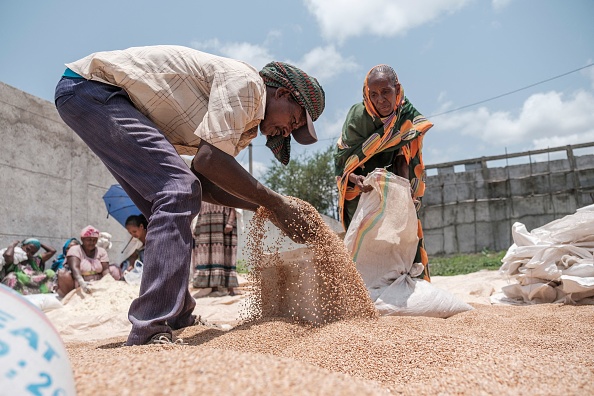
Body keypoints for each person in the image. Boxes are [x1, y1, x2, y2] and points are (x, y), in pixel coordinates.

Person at [54, 45, 325, 345]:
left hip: (90, 95)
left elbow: (204, 179)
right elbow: (210, 161)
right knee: (177, 192)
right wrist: (276, 202)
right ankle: (149, 328)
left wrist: (267, 209)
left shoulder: (243, 125)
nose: (287, 131)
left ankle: (178, 314)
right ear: (283, 94)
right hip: (95, 90)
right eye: (295, 120)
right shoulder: (250, 87)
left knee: (173, 201)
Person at [335, 64, 433, 280]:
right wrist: (354, 178)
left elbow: (403, 156)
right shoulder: (358, 118)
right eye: (374, 94)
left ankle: (407, 281)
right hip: (360, 187)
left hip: (391, 181)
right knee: (363, 242)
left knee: (401, 235)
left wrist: (404, 193)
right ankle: (362, 287)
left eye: (386, 91)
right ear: (366, 95)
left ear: (397, 90)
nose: (380, 99)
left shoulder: (404, 115)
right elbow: (342, 162)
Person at [192, 203, 240, 297]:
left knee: (226, 251)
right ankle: (214, 287)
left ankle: (230, 288)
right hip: (204, 219)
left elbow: (235, 202)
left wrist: (230, 221)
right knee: (206, 252)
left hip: (222, 218)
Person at [55, 225, 110, 297]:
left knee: (114, 269)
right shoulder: (75, 250)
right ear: (82, 239)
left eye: (94, 240)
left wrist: (108, 282)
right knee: (63, 273)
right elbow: (75, 268)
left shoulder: (101, 251)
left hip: (97, 281)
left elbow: (105, 269)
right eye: (89, 240)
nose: (92, 242)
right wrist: (82, 283)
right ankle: (69, 295)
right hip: (78, 281)